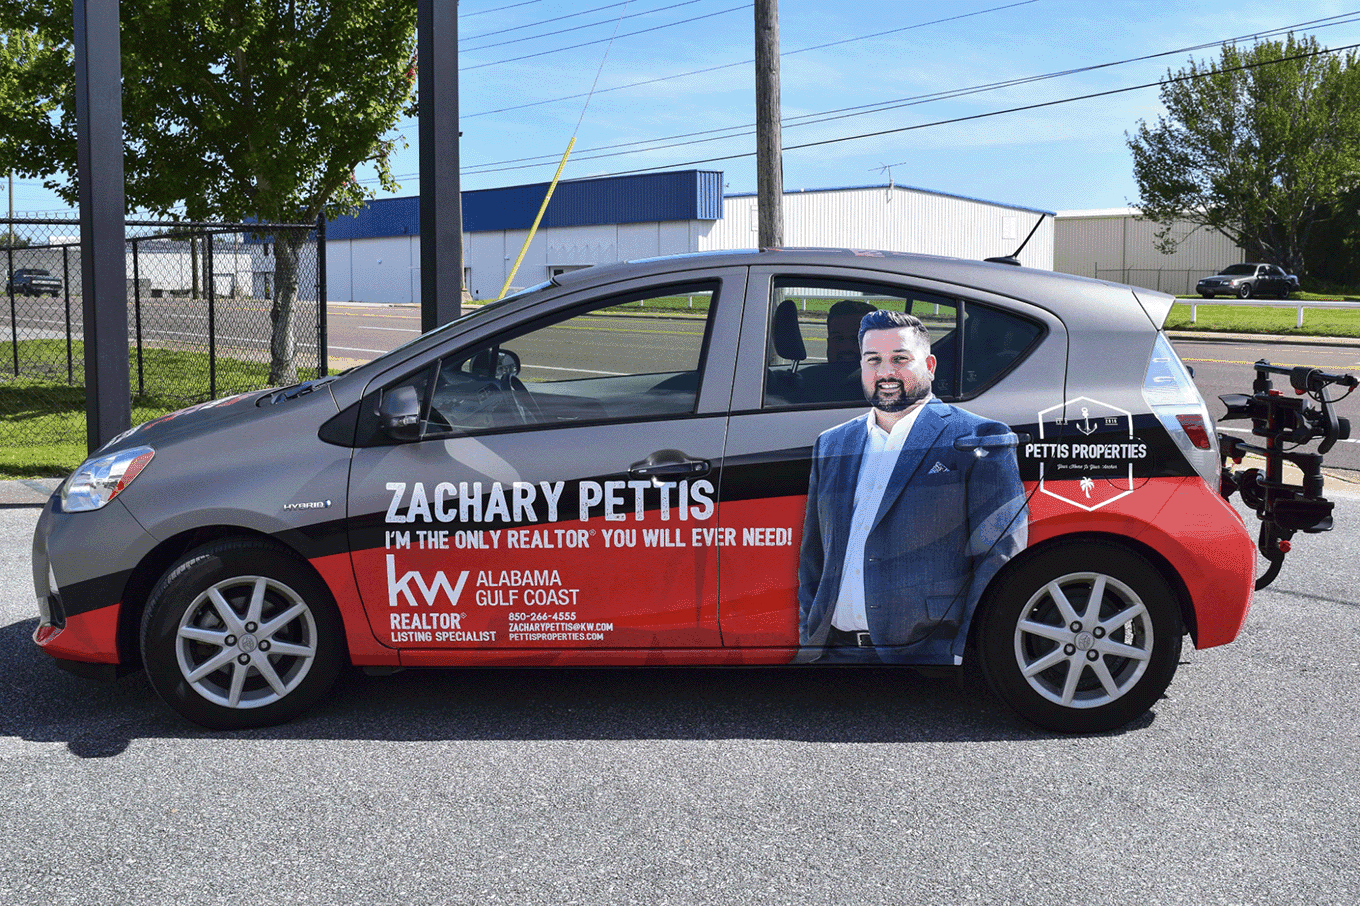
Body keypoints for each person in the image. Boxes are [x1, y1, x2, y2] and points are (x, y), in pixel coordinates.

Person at [798, 309, 1028, 664]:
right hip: (832, 655)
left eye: (900, 359)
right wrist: (809, 635)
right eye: (873, 360)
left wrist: (965, 652)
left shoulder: (979, 436)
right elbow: (813, 556)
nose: (886, 372)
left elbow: (1000, 558)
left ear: (930, 366)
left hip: (927, 658)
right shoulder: (832, 443)